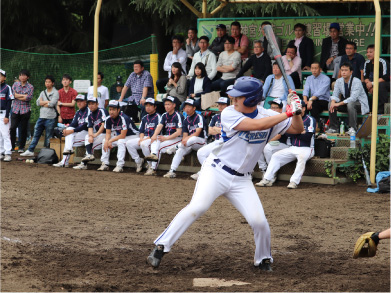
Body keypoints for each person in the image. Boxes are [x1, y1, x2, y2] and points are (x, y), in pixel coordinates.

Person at [146, 77, 304, 271]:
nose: (233, 99)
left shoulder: (268, 114)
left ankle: (263, 259)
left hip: (242, 180)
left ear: (251, 100)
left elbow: (298, 128)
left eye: (238, 97)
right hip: (216, 171)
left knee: (259, 221)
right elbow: (258, 126)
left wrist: (296, 111)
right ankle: (161, 247)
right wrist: (287, 113)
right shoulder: (229, 113)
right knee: (198, 207)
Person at [257, 100, 315, 189]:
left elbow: (307, 136)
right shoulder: (292, 119)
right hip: (292, 147)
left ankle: (293, 182)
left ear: (303, 108)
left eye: (299, 108)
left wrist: (295, 132)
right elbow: (287, 134)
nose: (297, 110)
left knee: (302, 158)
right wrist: (300, 132)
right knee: (276, 156)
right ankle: (267, 179)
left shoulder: (310, 119)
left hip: (307, 148)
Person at [162, 99, 206, 178]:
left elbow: (197, 132)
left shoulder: (199, 117)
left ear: (194, 108)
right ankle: (172, 171)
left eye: (189, 106)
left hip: (201, 142)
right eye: (185, 107)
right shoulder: (186, 120)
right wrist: (184, 140)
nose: (187, 109)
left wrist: (186, 139)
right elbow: (185, 135)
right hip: (190, 143)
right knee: (180, 150)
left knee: (193, 138)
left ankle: (175, 147)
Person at [190, 96, 230, 180]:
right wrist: (221, 130)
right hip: (217, 141)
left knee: (214, 156)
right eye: (219, 104)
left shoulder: (231, 117)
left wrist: (217, 129)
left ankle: (205, 172)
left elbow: (229, 132)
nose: (220, 106)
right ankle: (207, 171)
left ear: (228, 106)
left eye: (223, 104)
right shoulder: (215, 117)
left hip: (228, 143)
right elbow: (210, 131)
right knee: (201, 153)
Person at [144, 96, 184, 174]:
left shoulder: (178, 115)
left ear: (174, 105)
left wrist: (166, 138)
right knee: (156, 138)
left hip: (177, 138)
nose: (166, 106)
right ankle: (153, 154)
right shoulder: (164, 115)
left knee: (159, 148)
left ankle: (153, 169)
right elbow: (159, 126)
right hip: (169, 137)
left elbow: (179, 132)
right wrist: (154, 135)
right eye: (165, 104)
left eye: (168, 104)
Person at [21, 75, 59, 157]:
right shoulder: (42, 92)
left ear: (52, 83)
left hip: (50, 117)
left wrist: (43, 102)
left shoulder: (56, 93)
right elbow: (38, 103)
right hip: (41, 117)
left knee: (49, 136)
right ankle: (30, 150)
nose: (47, 83)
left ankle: (47, 152)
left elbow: (52, 104)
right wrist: (47, 102)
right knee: (36, 133)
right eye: (46, 82)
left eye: (49, 82)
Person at [97, 100, 139, 172]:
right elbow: (108, 134)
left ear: (118, 110)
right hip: (122, 136)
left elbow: (122, 135)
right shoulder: (108, 119)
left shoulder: (124, 118)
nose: (111, 112)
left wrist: (110, 140)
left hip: (133, 136)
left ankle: (120, 165)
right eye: (110, 109)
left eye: (114, 109)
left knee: (120, 141)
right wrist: (107, 141)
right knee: (104, 140)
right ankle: (105, 163)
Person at [328, 62, 370, 134]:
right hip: (346, 103)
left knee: (350, 104)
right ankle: (333, 127)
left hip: (359, 104)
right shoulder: (338, 81)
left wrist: (338, 104)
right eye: (342, 70)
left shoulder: (357, 81)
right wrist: (333, 102)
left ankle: (352, 128)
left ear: (351, 72)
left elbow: (353, 98)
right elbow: (335, 94)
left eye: (346, 70)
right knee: (330, 104)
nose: (343, 72)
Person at [254, 98, 290, 182]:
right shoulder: (269, 118)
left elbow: (278, 136)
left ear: (281, 109)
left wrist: (264, 142)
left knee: (267, 147)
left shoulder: (283, 118)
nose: (273, 109)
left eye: (275, 108)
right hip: (273, 143)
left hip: (285, 144)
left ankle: (272, 173)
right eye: (272, 107)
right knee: (257, 145)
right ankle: (264, 170)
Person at [53, 94, 90, 168]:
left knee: (69, 135)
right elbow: (73, 124)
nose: (79, 103)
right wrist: (66, 130)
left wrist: (71, 131)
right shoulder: (78, 112)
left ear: (85, 102)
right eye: (78, 101)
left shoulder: (88, 110)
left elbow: (85, 126)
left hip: (88, 133)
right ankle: (66, 156)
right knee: (68, 134)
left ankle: (65, 162)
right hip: (81, 133)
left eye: (81, 101)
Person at [125, 98, 161, 174]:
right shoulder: (145, 117)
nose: (148, 107)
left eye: (150, 105)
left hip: (154, 138)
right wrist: (141, 138)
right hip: (145, 138)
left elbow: (157, 131)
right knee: (129, 143)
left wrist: (144, 139)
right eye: (146, 105)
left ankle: (151, 165)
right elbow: (141, 131)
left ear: (155, 107)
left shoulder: (158, 116)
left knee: (143, 144)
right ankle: (138, 161)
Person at [73, 96, 108, 170]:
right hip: (100, 135)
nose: (91, 105)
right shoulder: (90, 115)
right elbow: (90, 127)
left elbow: (103, 126)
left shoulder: (102, 111)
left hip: (108, 134)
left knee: (97, 143)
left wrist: (95, 135)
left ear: (97, 104)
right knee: (88, 137)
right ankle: (88, 156)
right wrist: (91, 136)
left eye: (93, 103)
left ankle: (105, 164)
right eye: (89, 104)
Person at [10, 69, 34, 153]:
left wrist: (18, 95)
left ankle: (21, 147)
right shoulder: (15, 84)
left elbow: (28, 98)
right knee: (12, 128)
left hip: (25, 110)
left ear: (27, 77)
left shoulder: (30, 86)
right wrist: (23, 95)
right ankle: (12, 146)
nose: (22, 77)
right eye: (20, 75)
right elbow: (13, 95)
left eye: (24, 75)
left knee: (23, 129)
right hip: (15, 109)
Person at [363, 44, 390, 114]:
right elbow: (365, 77)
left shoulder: (383, 62)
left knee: (381, 85)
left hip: (385, 83)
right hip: (371, 84)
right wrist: (369, 84)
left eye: (371, 52)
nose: (368, 54)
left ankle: (380, 110)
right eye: (367, 52)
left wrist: (372, 84)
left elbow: (385, 77)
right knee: (362, 85)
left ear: (376, 52)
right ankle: (366, 108)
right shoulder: (367, 63)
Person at [0, 69, 14, 162]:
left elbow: (9, 102)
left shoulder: (7, 87)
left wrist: (6, 116)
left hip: (3, 113)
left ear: (4, 78)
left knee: (5, 134)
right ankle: (1, 152)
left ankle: (8, 153)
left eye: (0, 75)